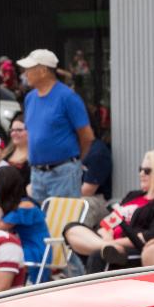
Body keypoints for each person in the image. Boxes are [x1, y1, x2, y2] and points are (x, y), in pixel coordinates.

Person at [63, 149, 154, 272]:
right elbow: (107, 223)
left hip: (138, 250)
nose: (141, 174)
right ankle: (105, 247)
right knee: (72, 228)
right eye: (140, 169)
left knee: (99, 254)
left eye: (147, 171)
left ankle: (106, 249)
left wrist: (115, 242)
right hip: (110, 244)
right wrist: (107, 240)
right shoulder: (133, 195)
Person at [17, 49, 93, 202]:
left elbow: (87, 136)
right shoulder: (30, 98)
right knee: (40, 224)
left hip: (63, 172)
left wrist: (74, 162)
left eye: (29, 70)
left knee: (63, 222)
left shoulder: (67, 97)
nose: (25, 74)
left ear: (43, 71)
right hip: (37, 173)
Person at [0, 165, 50, 283]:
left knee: (0, 254)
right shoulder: (17, 205)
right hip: (25, 247)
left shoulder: (24, 207)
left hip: (34, 250)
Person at [80, 128, 113, 227]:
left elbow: (87, 190)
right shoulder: (67, 149)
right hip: (67, 192)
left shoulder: (97, 151)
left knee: (83, 205)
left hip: (96, 198)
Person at [2, 113, 30, 186]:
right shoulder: (4, 154)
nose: (14, 133)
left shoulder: (35, 159)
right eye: (12, 130)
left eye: (19, 130)